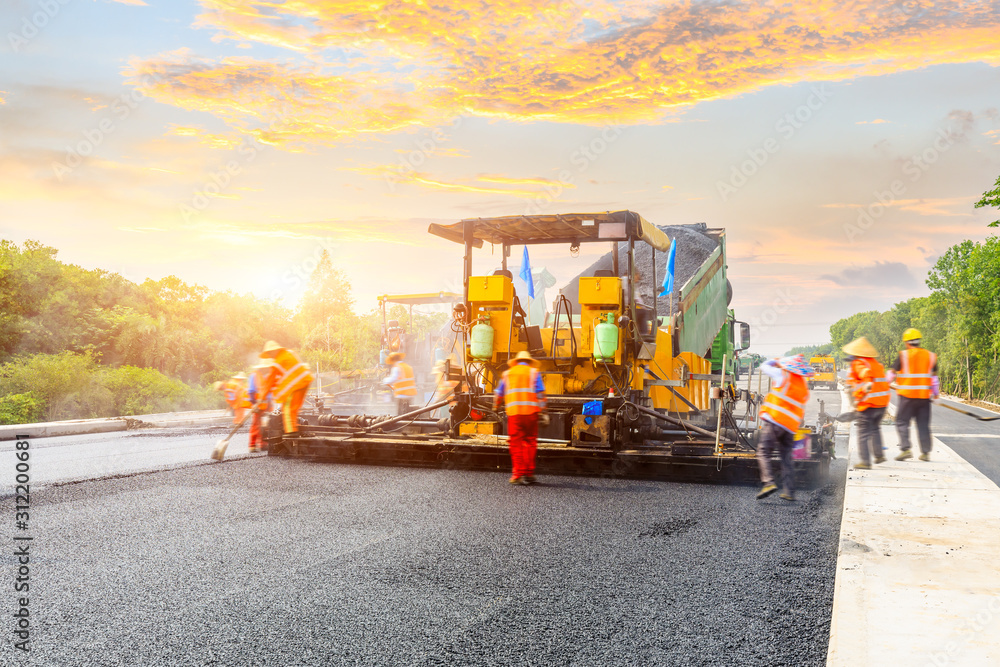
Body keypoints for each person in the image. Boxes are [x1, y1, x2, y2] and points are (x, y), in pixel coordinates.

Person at [756, 354, 814, 501]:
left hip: (775, 421)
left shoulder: (783, 375)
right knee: (786, 458)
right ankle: (789, 491)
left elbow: (763, 366)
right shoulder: (802, 384)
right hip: (790, 427)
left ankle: (768, 483)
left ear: (789, 366)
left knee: (763, 451)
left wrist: (775, 361)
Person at [493, 350, 548, 485]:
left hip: (515, 414)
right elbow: (540, 394)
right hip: (531, 413)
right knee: (530, 442)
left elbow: (499, 393)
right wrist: (544, 411)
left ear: (516, 362)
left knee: (516, 443)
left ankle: (518, 474)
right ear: (529, 362)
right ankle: (529, 473)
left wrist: (496, 406)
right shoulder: (534, 373)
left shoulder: (508, 374)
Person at [888, 328, 938, 461]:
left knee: (902, 422)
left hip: (907, 397)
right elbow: (934, 379)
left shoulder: (903, 355)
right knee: (923, 424)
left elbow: (892, 373)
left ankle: (905, 449)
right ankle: (926, 453)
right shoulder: (930, 356)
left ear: (906, 342)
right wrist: (936, 394)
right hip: (924, 398)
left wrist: (883, 384)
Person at [842, 337, 890, 469]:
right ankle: (879, 454)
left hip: (868, 404)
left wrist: (867, 383)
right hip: (882, 404)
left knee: (863, 433)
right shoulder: (876, 363)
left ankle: (865, 462)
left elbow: (865, 373)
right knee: (875, 428)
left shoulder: (859, 363)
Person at [256, 341, 314, 437]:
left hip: (295, 385)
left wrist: (261, 398)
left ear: (275, 350)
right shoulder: (289, 353)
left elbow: (269, 382)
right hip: (305, 381)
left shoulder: (278, 362)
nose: (270, 356)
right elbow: (279, 379)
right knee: (294, 408)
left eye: (270, 353)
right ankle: (295, 428)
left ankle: (291, 433)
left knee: (287, 408)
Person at [247, 360, 276, 452]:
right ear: (261, 368)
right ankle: (252, 445)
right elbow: (251, 391)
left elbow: (269, 392)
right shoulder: (254, 376)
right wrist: (254, 403)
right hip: (257, 405)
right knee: (256, 425)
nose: (267, 369)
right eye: (266, 368)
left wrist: (270, 403)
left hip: (267, 404)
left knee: (267, 425)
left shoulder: (266, 377)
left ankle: (263, 444)